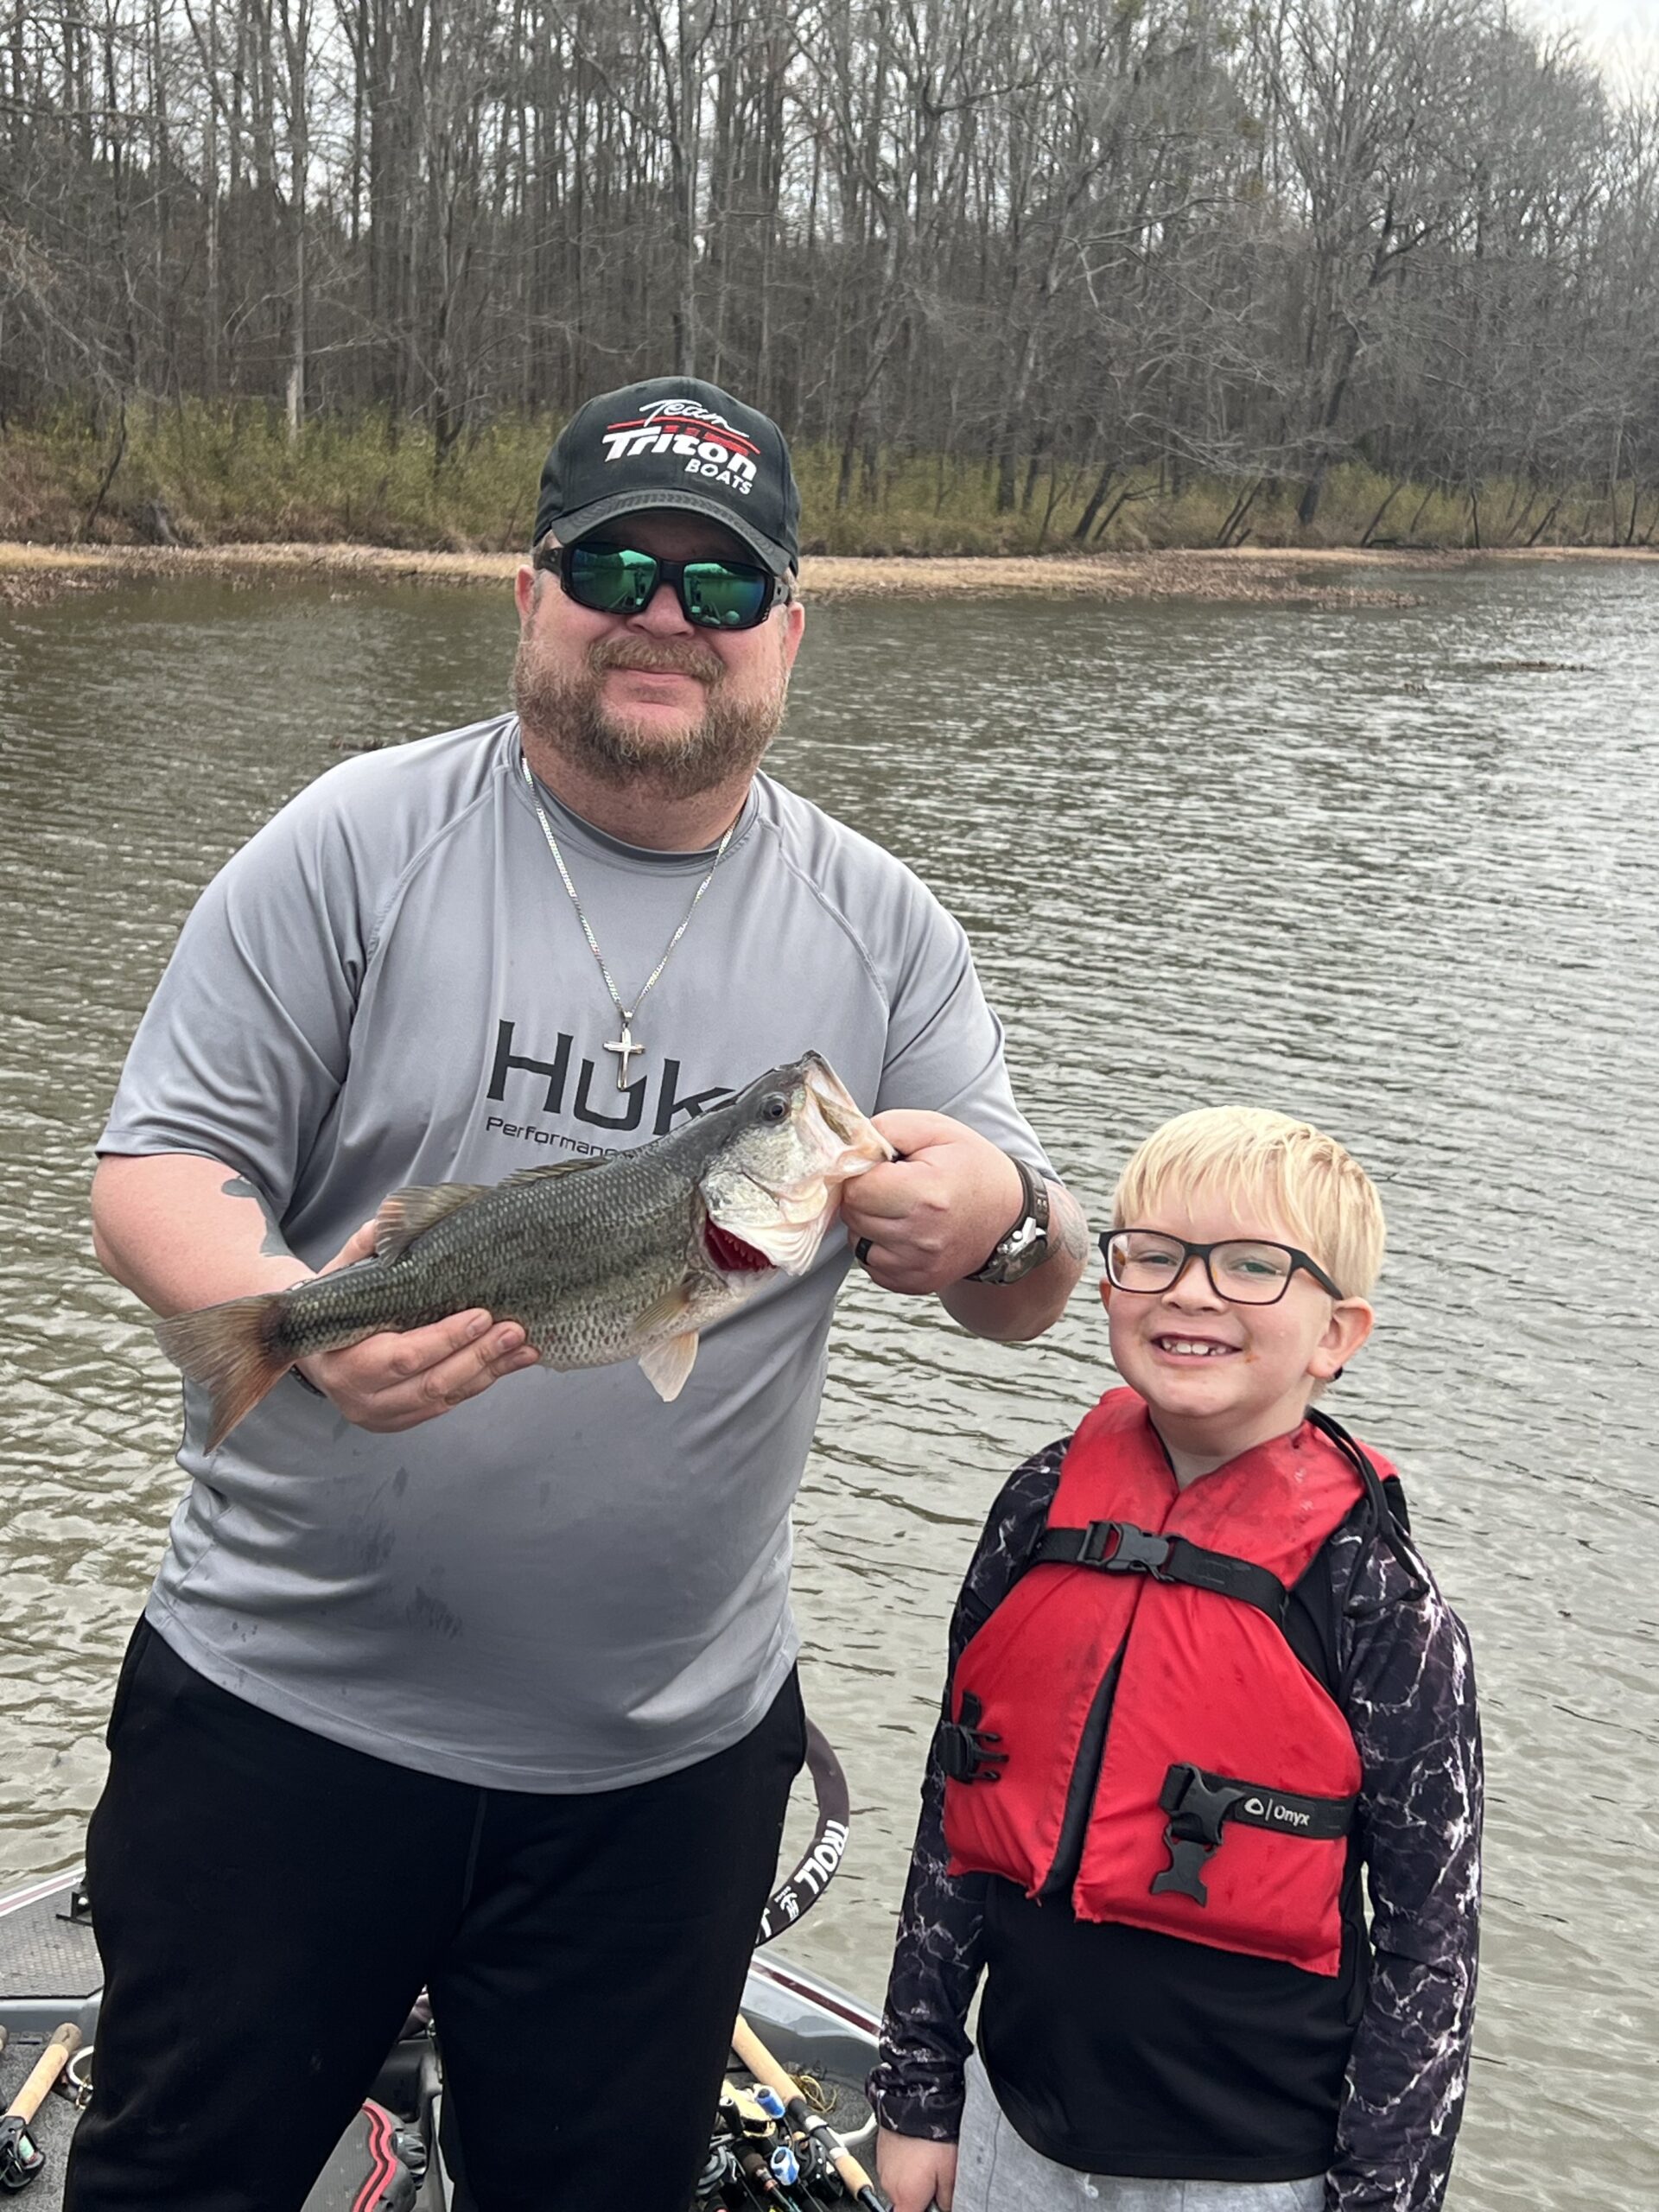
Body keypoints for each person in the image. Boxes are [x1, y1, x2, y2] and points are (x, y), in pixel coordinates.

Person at [70, 376, 1089, 2212]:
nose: (665, 617)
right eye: (617, 569)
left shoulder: (885, 931)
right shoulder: (353, 840)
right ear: (531, 593)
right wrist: (292, 1321)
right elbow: (153, 1171)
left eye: (722, 583)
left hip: (663, 1777)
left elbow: (1025, 1291)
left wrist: (1008, 1213)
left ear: (790, 627)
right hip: (277, 1729)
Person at [871, 1107, 1482, 2212]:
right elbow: (955, 1804)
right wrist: (918, 2092)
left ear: (1337, 1334)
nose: (1191, 1292)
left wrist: (1382, 2198)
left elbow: (1430, 1945)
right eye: (1151, 1254)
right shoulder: (1037, 1508)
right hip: (1012, 2126)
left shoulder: (1381, 1598)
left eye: (1253, 1266)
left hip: (1255, 2172)